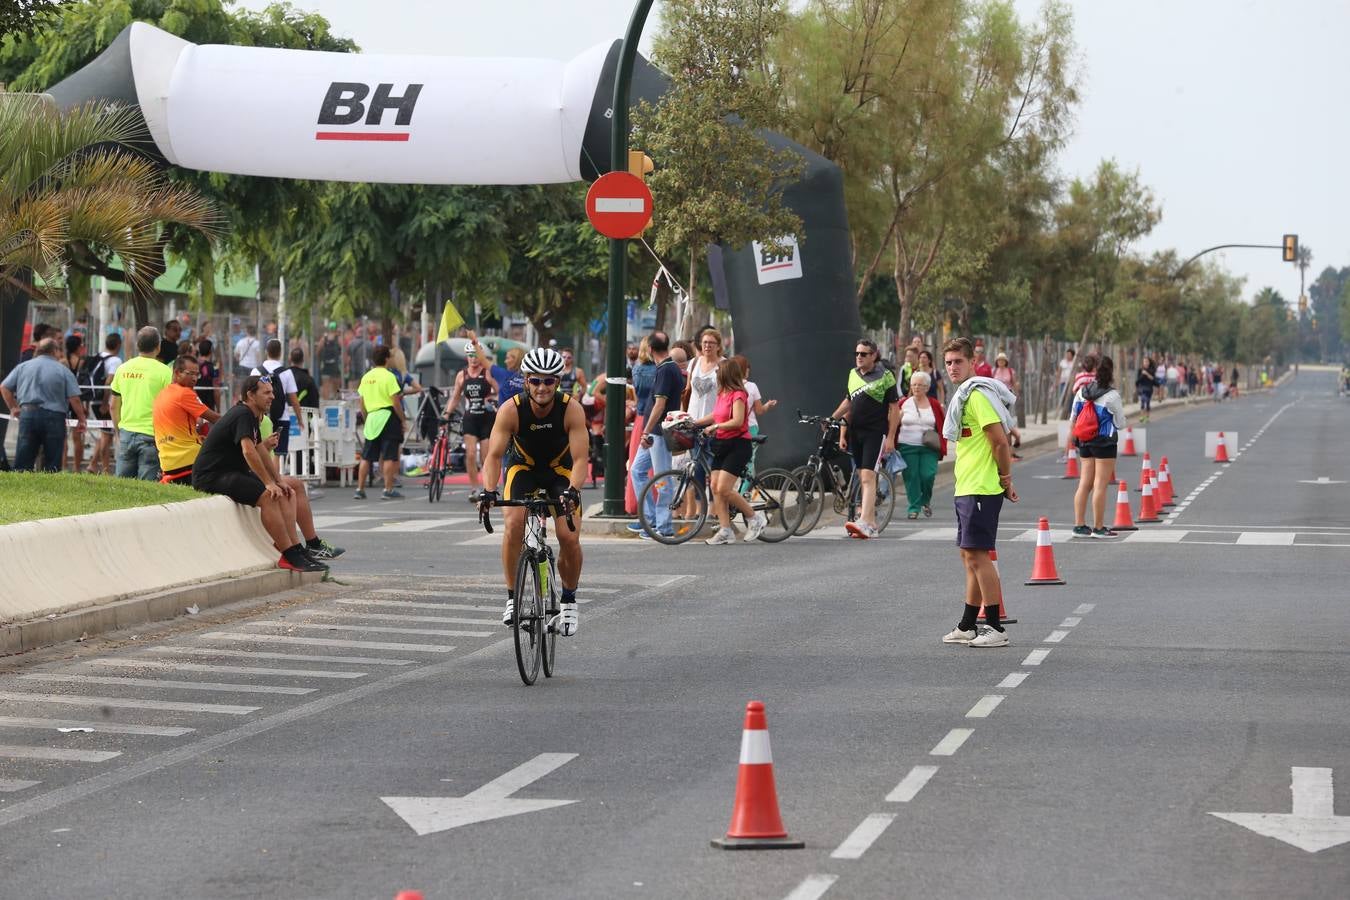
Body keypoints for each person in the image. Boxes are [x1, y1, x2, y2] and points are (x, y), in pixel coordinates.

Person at [478, 347, 590, 636]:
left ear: (558, 382)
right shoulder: (511, 409)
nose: (542, 387)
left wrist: (573, 490)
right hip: (523, 469)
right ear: (526, 380)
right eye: (536, 381)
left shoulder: (571, 408)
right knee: (513, 525)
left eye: (549, 381)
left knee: (569, 537)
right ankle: (513, 598)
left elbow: (580, 461)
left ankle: (568, 601)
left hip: (560, 472)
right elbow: (492, 457)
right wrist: (489, 491)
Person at [192, 374, 341, 572]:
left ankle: (297, 548)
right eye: (267, 392)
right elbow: (248, 450)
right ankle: (287, 554)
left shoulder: (252, 415)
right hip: (212, 476)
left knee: (286, 489)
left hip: (231, 472)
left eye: (273, 392)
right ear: (250, 395)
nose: (272, 396)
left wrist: (277, 479)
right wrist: (268, 483)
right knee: (268, 496)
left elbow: (260, 449)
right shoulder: (243, 414)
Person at [940, 337, 1017, 649]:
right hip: (966, 485)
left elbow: (1000, 441)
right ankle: (968, 625)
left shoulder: (976, 398)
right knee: (968, 556)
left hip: (982, 487)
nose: (953, 368)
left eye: (958, 361)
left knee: (979, 556)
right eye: (948, 363)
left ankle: (996, 627)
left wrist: (1006, 478)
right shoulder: (963, 398)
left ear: (972, 362)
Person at [689, 358, 766, 544]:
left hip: (738, 445)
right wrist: (693, 422)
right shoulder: (722, 393)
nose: (715, 375)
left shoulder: (739, 394)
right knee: (715, 487)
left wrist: (716, 427)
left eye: (718, 372)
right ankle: (725, 530)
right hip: (722, 444)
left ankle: (754, 518)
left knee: (724, 488)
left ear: (725, 374)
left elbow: (738, 421)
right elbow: (715, 415)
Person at [830, 338, 900, 539]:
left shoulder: (886, 377)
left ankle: (865, 521)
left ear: (874, 355)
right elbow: (848, 402)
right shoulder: (853, 375)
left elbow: (894, 409)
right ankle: (872, 524)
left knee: (869, 476)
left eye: (863, 354)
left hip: (875, 432)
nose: (859, 357)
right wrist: (832, 418)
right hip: (856, 432)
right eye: (857, 354)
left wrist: (891, 438)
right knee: (863, 476)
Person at [1, 338, 86, 472]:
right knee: (52, 460)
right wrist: (82, 418)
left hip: (28, 414)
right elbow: (74, 398)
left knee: (24, 458)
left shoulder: (23, 367)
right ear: (54, 351)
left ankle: (21, 487)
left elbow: (4, 387)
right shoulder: (63, 370)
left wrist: (14, 407)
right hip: (54, 417)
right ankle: (49, 487)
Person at [630, 331, 684, 539]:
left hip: (658, 432)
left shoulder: (665, 370)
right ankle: (650, 519)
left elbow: (659, 404)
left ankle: (663, 525)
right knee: (637, 471)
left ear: (650, 350)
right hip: (656, 432)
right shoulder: (669, 368)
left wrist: (645, 431)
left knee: (662, 479)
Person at [1071, 356, 1126, 538]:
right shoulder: (1112, 395)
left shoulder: (1081, 391)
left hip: (1084, 441)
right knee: (1100, 484)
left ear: (1095, 371)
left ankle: (1079, 525)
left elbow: (1073, 416)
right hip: (1104, 442)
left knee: (1084, 483)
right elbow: (1120, 423)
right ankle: (1099, 527)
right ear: (1111, 372)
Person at [109, 326, 172, 480]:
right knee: (147, 488)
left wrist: (118, 431)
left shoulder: (123, 369)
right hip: (152, 435)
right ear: (158, 347)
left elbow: (113, 405)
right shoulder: (165, 372)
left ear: (138, 345)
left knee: (122, 486)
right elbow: (170, 407)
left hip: (126, 433)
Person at [153, 355, 222, 483]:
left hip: (167, 464)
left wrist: (196, 437)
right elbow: (215, 418)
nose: (195, 379)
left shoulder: (161, 395)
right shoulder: (185, 393)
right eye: (190, 374)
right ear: (177, 373)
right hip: (188, 460)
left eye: (197, 375)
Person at [444, 334, 499, 486]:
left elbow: (499, 391)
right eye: (470, 356)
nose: (473, 359)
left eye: (476, 356)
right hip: (470, 418)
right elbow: (455, 397)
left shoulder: (487, 373)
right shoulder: (462, 375)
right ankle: (474, 488)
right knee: (470, 454)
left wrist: (494, 400)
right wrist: (447, 414)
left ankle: (487, 487)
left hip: (487, 417)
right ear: (466, 357)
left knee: (486, 456)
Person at [354, 345, 406, 500]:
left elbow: (361, 403)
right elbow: (395, 401)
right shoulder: (390, 377)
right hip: (388, 417)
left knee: (366, 456)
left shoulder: (366, 377)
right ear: (386, 359)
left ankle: (360, 489)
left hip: (372, 418)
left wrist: (366, 417)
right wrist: (402, 419)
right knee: (390, 455)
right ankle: (388, 489)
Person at [897, 370, 946, 519]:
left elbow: (942, 424)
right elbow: (892, 423)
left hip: (929, 446)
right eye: (913, 385)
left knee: (928, 475)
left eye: (920, 385)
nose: (916, 388)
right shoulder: (903, 403)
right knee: (911, 477)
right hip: (906, 445)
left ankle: (925, 501)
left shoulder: (934, 404)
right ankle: (913, 507)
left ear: (927, 387)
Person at [253, 339, 303, 458]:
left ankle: (261, 476)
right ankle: (274, 477)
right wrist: (300, 419)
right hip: (282, 417)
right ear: (280, 353)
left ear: (266, 351)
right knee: (277, 454)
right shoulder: (287, 373)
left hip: (260, 418)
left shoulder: (256, 371)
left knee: (259, 450)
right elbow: (294, 400)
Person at [85, 332, 123, 475]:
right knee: (107, 437)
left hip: (94, 400)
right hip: (104, 402)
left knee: (104, 434)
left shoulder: (98, 356)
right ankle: (106, 471)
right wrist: (105, 403)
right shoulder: (115, 361)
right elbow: (109, 382)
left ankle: (93, 464)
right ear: (118, 345)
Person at [317, 324, 343, 399]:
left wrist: (320, 360)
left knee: (325, 385)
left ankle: (326, 403)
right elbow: (343, 351)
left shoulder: (323, 339)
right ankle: (337, 399)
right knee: (337, 384)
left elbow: (318, 351)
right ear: (336, 329)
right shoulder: (338, 339)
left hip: (325, 365)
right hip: (335, 365)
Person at [1135, 357, 1157, 424]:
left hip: (1149, 388)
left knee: (1147, 403)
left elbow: (1153, 379)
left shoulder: (1152, 370)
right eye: (1144, 362)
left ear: (1149, 363)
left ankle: (1147, 417)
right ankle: (1142, 417)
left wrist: (1146, 374)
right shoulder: (1140, 370)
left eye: (1147, 362)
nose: (1145, 363)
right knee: (1143, 400)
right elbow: (1138, 380)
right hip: (1142, 388)